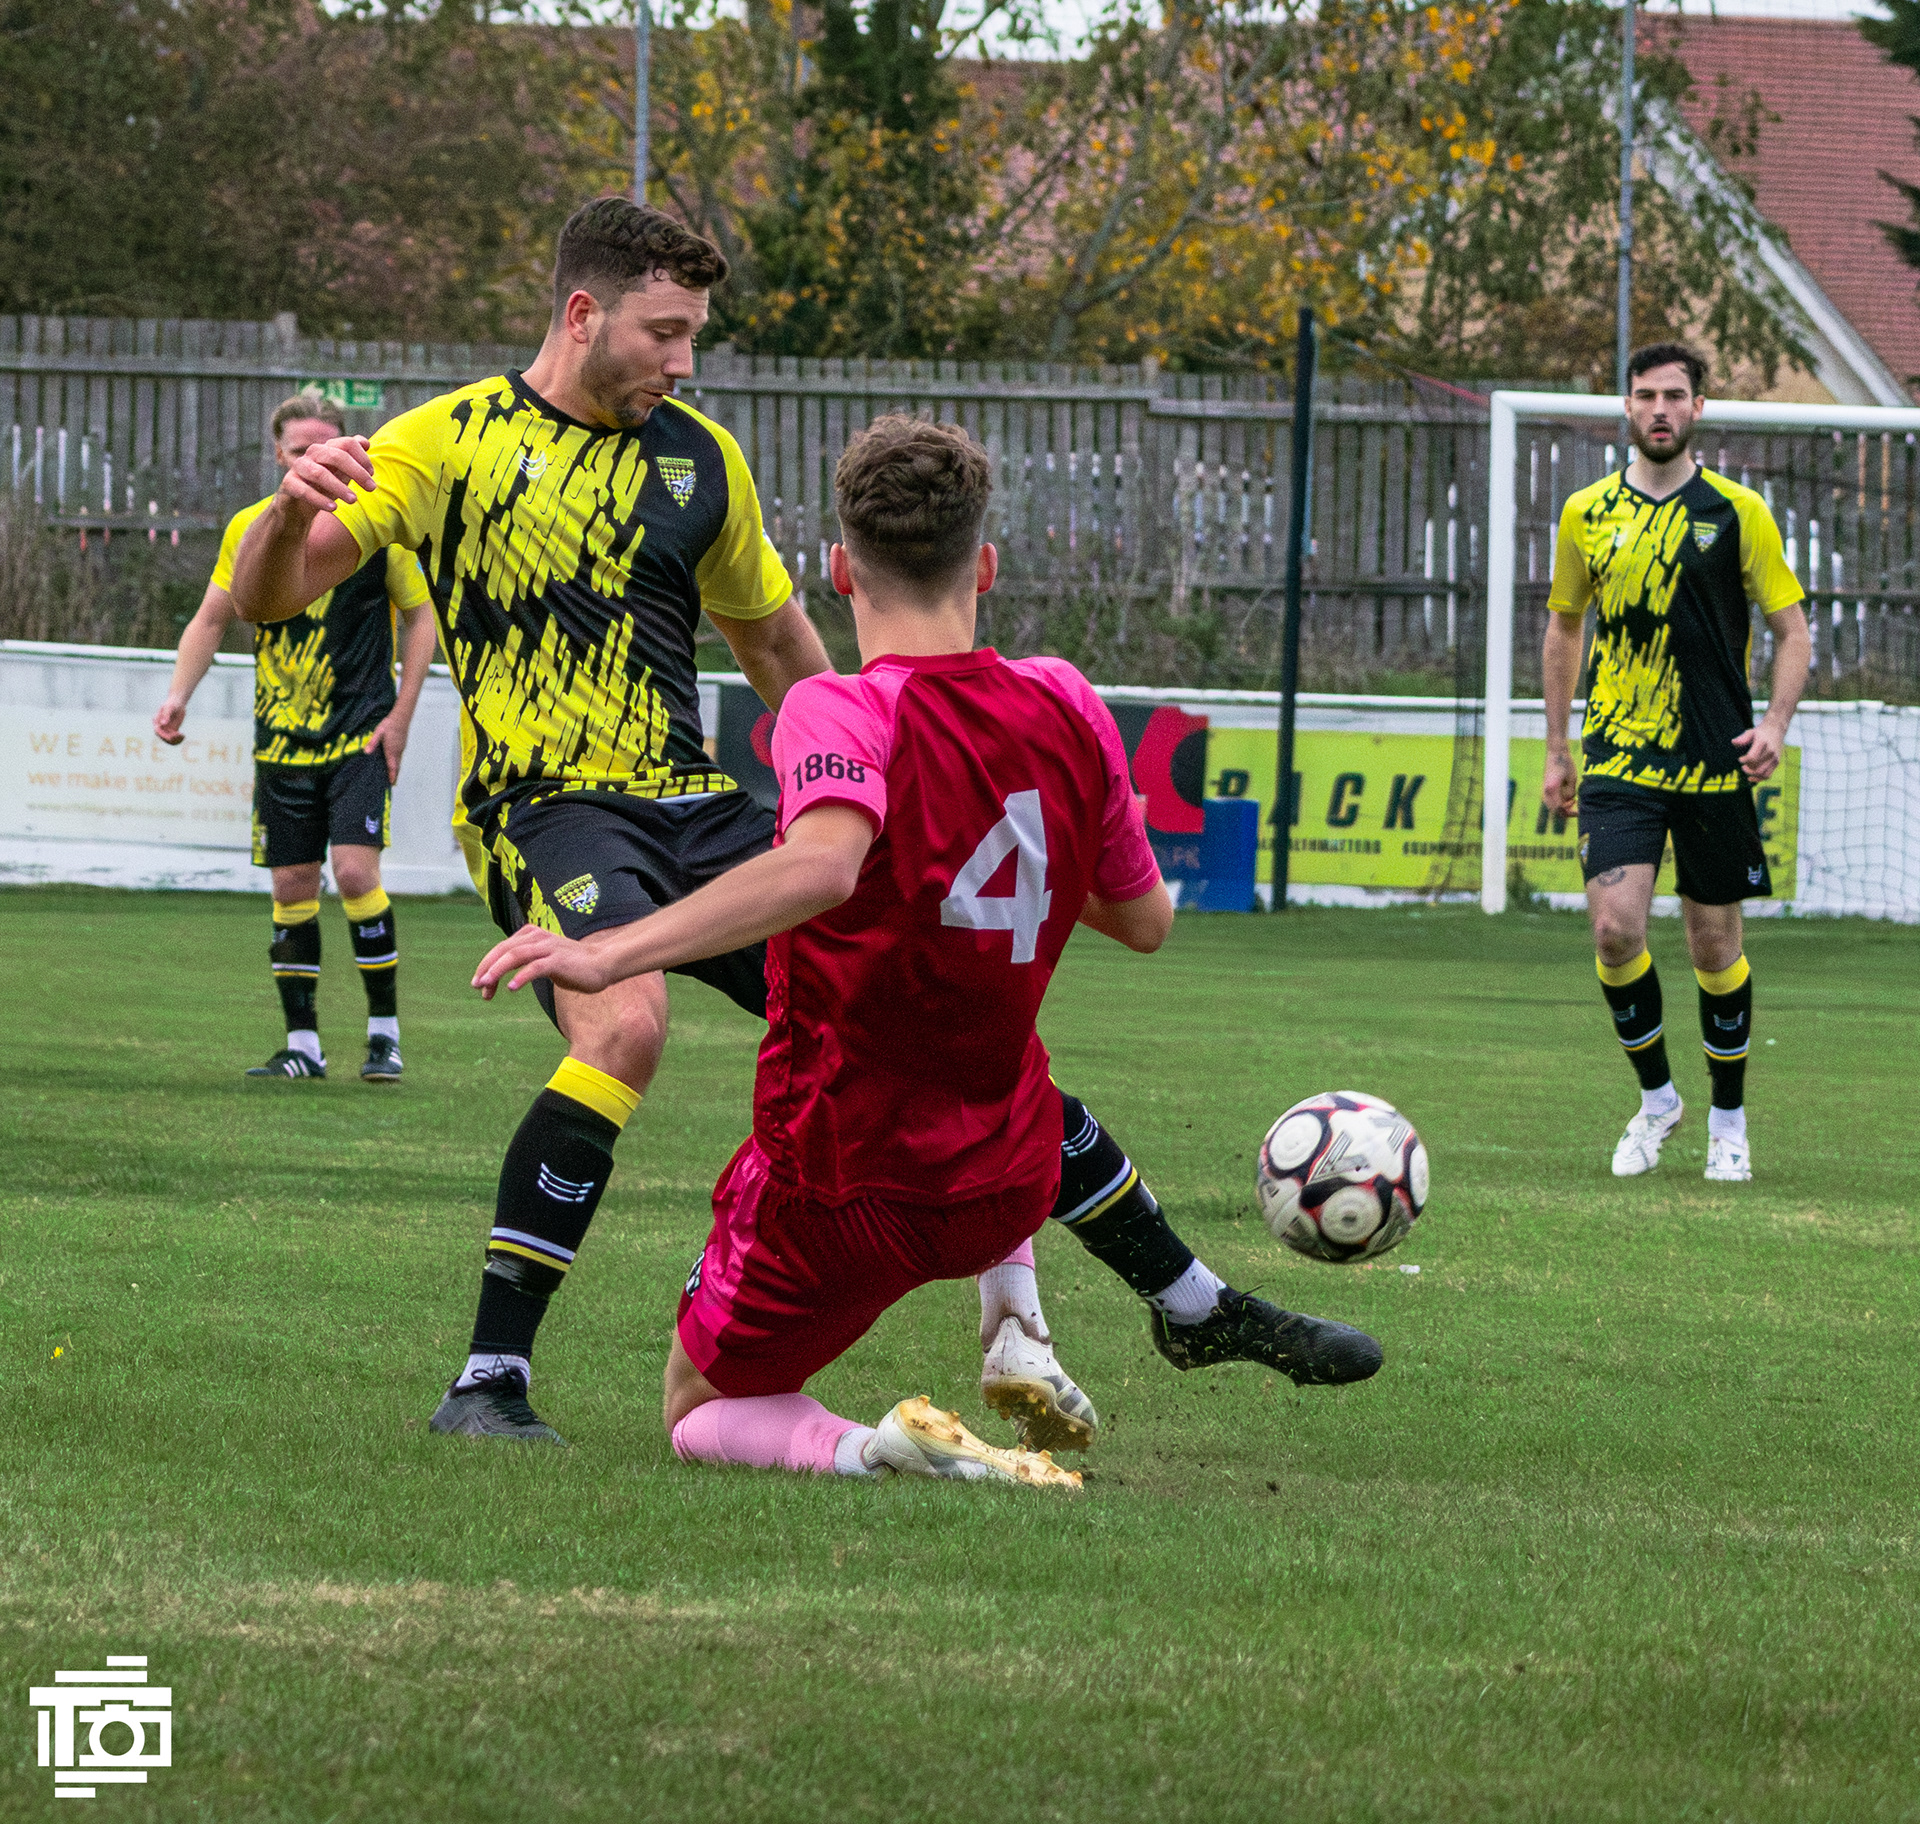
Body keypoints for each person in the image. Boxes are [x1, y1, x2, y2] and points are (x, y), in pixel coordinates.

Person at [231, 198, 1372, 1444]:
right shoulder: (442, 443)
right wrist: (288, 513)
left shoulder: (699, 460)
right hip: (545, 808)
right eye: (665, 332)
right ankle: (487, 1382)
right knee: (626, 1024)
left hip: (696, 806)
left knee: (934, 1014)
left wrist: (892, 778)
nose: (683, 361)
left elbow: (778, 644)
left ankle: (1189, 1302)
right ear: (582, 313)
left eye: (693, 336)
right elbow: (269, 595)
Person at [474, 416, 1381, 1487]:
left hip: (838, 1189)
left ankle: (880, 1449)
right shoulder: (1066, 698)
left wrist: (611, 952)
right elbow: (1145, 922)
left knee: (696, 1408)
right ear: (984, 565)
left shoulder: (837, 709)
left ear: (838, 569)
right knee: (1004, 1060)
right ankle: (1023, 1325)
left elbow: (822, 867)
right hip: (1008, 1184)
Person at [1542, 341, 1809, 1185]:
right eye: (1646, 395)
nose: (1660, 409)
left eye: (1674, 395)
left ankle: (1729, 1121)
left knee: (1712, 944)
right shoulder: (1586, 512)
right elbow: (1564, 627)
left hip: (1712, 759)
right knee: (1614, 928)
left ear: (1698, 408)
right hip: (1619, 754)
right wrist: (1557, 747)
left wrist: (1774, 723)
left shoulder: (1738, 512)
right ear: (1626, 406)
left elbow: (1793, 631)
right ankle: (1658, 1100)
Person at [156, 392, 437, 1083]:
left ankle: (384, 1036)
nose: (315, 459)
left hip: (358, 736)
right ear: (279, 456)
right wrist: (177, 695)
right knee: (291, 884)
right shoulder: (251, 529)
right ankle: (303, 1047)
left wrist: (401, 716)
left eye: (325, 446)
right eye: (300, 450)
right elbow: (211, 618)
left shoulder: (376, 528)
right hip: (282, 743)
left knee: (356, 872)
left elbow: (420, 618)